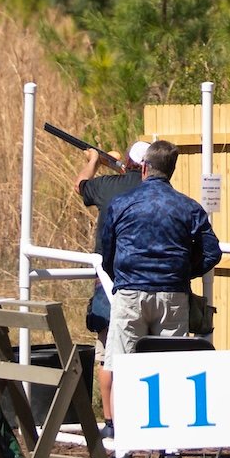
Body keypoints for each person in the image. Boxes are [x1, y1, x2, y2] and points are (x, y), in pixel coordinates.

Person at [94, 140, 222, 422]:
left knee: (122, 366)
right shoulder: (189, 207)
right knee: (170, 368)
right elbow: (213, 252)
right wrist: (180, 272)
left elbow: (106, 253)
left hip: (130, 292)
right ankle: (170, 450)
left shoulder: (121, 203)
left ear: (144, 169)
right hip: (172, 296)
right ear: (171, 171)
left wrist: (123, 276)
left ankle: (122, 443)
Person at [74, 138, 147, 345]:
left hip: (110, 277)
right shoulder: (158, 189)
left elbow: (80, 186)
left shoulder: (109, 186)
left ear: (127, 161)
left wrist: (94, 161)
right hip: (148, 279)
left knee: (108, 348)